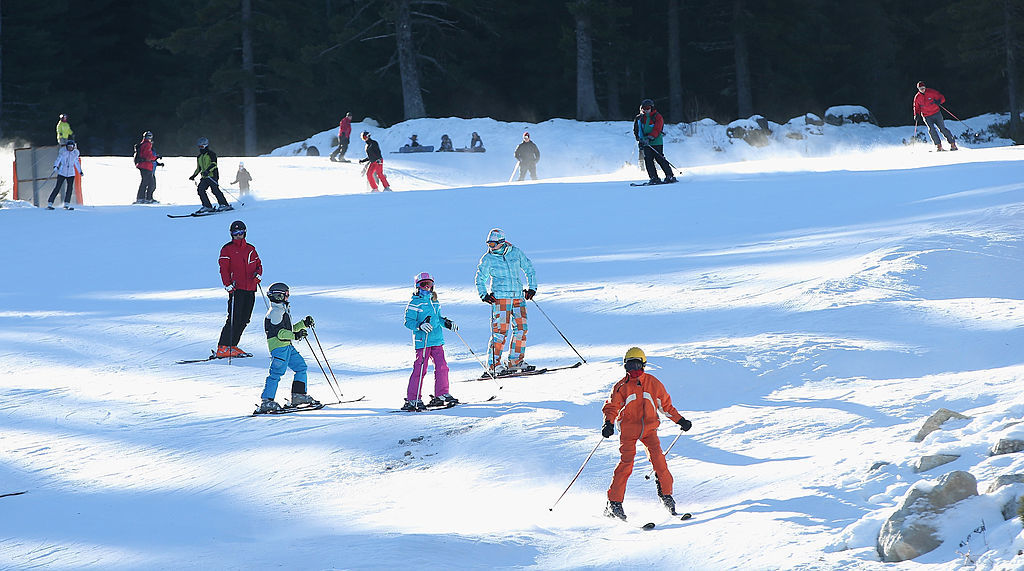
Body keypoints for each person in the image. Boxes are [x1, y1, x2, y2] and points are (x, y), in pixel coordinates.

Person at [601, 347, 692, 521]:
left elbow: (666, 407)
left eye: (637, 365)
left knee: (659, 460)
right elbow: (612, 407)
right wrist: (608, 423)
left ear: (644, 365)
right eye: (629, 366)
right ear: (625, 367)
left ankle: (666, 495)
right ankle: (614, 503)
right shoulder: (621, 387)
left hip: (649, 430)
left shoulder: (653, 384)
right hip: (628, 431)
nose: (634, 370)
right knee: (626, 464)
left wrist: (681, 421)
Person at [474, 228, 537, 375]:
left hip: (518, 297)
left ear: (502, 242)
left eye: (493, 244)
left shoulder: (515, 253)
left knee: (521, 329)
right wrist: (484, 294)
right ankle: (493, 365)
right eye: (489, 244)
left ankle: (515, 361)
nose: (490, 247)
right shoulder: (488, 259)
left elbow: (529, 269)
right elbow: (480, 278)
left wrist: (532, 288)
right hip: (500, 298)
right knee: (500, 332)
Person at [401, 272, 460, 412]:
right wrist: (419, 325)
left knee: (442, 367)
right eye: (423, 284)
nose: (427, 287)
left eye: (430, 284)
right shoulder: (414, 303)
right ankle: (413, 398)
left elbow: (438, 319)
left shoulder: (435, 302)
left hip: (436, 339)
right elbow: (408, 322)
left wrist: (447, 323)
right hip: (423, 340)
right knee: (420, 368)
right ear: (417, 286)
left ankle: (441, 394)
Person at [259, 282, 320, 413]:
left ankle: (299, 396)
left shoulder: (281, 309)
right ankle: (267, 401)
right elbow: (279, 333)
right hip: (279, 348)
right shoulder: (275, 312)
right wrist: (295, 335)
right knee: (276, 374)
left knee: (301, 367)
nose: (288, 297)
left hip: (287, 346)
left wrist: (303, 324)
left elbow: (289, 329)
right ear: (279, 296)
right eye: (286, 294)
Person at [216, 220, 263, 359]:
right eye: (235, 233)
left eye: (240, 232)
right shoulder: (227, 249)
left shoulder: (251, 249)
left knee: (244, 319)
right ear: (231, 234)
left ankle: (232, 345)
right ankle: (223, 346)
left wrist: (258, 275)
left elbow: (258, 265)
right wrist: (227, 284)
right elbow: (223, 269)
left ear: (245, 232)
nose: (238, 235)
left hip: (250, 287)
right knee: (234, 318)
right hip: (236, 288)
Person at [633, 98, 677, 185]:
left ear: (652, 108)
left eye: (648, 108)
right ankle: (654, 178)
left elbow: (657, 129)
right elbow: (637, 129)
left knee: (660, 159)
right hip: (645, 142)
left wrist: (650, 138)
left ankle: (669, 175)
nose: (646, 110)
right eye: (644, 108)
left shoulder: (657, 116)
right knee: (648, 160)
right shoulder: (640, 118)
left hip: (656, 142)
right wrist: (639, 139)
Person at [189, 137, 232, 212]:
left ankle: (224, 205)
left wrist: (207, 171)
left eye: (201, 147)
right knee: (200, 190)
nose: (200, 148)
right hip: (204, 177)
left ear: (206, 145)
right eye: (199, 147)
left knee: (215, 190)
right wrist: (194, 175)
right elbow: (199, 168)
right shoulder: (199, 157)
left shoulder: (211, 154)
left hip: (212, 175)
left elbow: (214, 164)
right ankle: (207, 206)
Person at [913, 81, 958, 151]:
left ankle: (953, 144)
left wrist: (939, 101)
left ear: (925, 87)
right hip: (926, 116)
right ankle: (938, 146)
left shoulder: (931, 92)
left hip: (936, 113)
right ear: (918, 89)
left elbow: (942, 98)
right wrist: (916, 114)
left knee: (942, 128)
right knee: (931, 130)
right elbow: (916, 107)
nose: (922, 89)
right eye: (920, 88)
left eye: (923, 88)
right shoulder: (917, 97)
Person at [46, 140, 82, 210]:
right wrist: (55, 166)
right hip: (62, 172)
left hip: (71, 173)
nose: (70, 148)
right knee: (57, 187)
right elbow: (58, 159)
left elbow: (76, 163)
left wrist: (80, 171)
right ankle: (50, 202)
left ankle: (66, 203)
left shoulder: (75, 154)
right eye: (69, 147)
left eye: (71, 147)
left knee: (69, 189)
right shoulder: (63, 152)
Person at [134, 131, 161, 204]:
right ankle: (147, 198)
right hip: (146, 166)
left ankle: (142, 198)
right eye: (149, 136)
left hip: (143, 165)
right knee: (150, 183)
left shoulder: (143, 144)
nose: (150, 138)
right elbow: (148, 155)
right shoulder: (147, 144)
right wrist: (155, 157)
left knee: (146, 182)